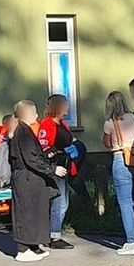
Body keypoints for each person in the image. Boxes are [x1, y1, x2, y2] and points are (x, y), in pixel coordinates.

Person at [9, 99, 67, 262]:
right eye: (34, 112)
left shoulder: (25, 131)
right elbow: (31, 158)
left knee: (36, 212)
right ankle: (23, 249)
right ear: (27, 114)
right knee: (26, 213)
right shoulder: (23, 133)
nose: (36, 115)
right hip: (26, 179)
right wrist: (51, 169)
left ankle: (33, 245)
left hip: (32, 179)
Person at [102, 91, 134, 255]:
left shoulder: (109, 123)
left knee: (125, 202)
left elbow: (107, 143)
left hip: (121, 160)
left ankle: (131, 242)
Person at [36, 95, 75, 250]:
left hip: (64, 165)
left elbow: (69, 139)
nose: (67, 108)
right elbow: (44, 146)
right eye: (65, 105)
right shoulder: (47, 124)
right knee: (59, 202)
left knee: (64, 202)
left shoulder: (62, 124)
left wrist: (75, 146)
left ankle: (54, 232)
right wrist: (58, 153)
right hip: (55, 167)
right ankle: (53, 235)